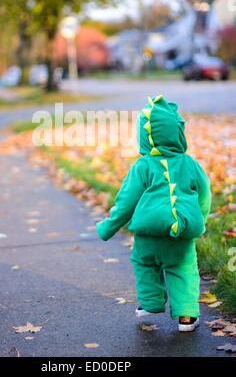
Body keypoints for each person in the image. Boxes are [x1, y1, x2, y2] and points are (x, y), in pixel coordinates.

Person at [96, 95, 212, 332]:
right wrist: (200, 220)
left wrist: (108, 226)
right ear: (178, 133)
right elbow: (204, 194)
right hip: (180, 235)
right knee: (183, 269)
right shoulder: (189, 164)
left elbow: (126, 201)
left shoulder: (142, 166)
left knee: (144, 263)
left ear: (144, 137)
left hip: (147, 235)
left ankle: (150, 303)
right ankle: (187, 317)